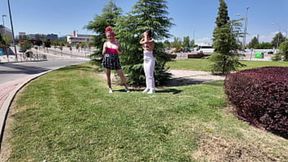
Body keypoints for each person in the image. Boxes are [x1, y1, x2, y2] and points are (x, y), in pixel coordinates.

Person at [102, 26, 129, 93]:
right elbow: (103, 53)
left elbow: (121, 53)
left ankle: (126, 87)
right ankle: (110, 88)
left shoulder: (117, 42)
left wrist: (117, 50)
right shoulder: (105, 43)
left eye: (111, 35)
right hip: (107, 60)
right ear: (107, 36)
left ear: (113, 35)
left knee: (121, 74)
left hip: (115, 60)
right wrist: (105, 49)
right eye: (108, 36)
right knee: (108, 75)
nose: (110, 37)